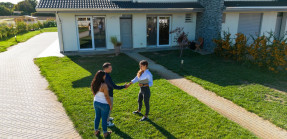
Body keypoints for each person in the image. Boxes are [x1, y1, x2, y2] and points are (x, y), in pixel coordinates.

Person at [103, 62, 128, 126]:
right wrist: (123, 86)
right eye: (110, 68)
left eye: (111, 68)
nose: (111, 69)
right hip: (108, 94)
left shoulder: (104, 75)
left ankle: (107, 118)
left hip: (105, 93)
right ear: (105, 69)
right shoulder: (107, 77)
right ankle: (107, 122)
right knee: (109, 107)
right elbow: (114, 86)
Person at [91, 70, 112, 137]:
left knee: (97, 117)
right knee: (104, 118)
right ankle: (105, 133)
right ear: (102, 76)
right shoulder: (104, 85)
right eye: (104, 75)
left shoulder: (93, 83)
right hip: (104, 104)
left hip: (96, 102)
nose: (105, 76)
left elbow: (94, 93)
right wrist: (110, 104)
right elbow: (106, 96)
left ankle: (96, 131)